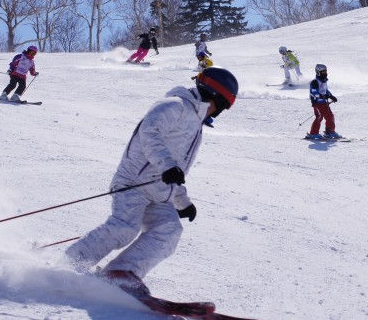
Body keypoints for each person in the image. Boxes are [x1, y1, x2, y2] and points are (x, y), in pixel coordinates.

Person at [64, 67, 239, 294]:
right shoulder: (175, 105)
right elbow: (150, 132)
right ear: (213, 96)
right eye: (219, 108)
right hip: (133, 182)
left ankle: (120, 272)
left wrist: (182, 202)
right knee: (125, 227)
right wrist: (167, 166)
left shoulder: (196, 124)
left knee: (169, 229)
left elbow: (176, 170)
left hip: (161, 193)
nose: (215, 114)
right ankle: (71, 264)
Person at [306, 64, 340, 139]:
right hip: (317, 103)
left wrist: (331, 96)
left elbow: (325, 90)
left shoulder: (323, 81)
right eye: (323, 72)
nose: (325, 73)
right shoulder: (314, 82)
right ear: (318, 72)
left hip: (324, 103)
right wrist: (321, 96)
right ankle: (313, 133)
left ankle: (330, 132)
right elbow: (313, 92)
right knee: (319, 117)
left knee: (330, 116)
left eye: (325, 71)